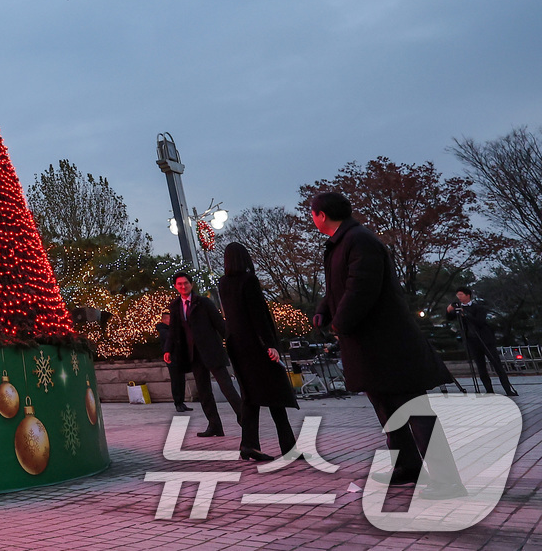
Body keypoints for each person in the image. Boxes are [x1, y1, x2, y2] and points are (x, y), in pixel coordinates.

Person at [311, 190, 464, 495]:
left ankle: (447, 480)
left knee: (416, 411)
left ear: (322, 215)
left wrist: (340, 322)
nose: (311, 219)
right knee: (386, 408)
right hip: (368, 347)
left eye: (311, 214)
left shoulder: (359, 240)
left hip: (389, 345)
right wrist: (323, 310)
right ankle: (407, 465)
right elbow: (338, 288)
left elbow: (361, 288)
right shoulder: (339, 245)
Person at [218, 242, 298, 461]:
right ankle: (288, 447)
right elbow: (258, 316)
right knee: (275, 394)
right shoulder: (249, 281)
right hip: (256, 345)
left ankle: (249, 444)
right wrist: (270, 344)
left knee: (250, 396)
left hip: (236, 345)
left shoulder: (223, 283)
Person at [165, 272, 242, 437]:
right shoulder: (175, 306)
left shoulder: (203, 302)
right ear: (175, 286)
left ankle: (245, 420)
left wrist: (233, 344)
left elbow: (220, 324)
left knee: (227, 387)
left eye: (185, 283)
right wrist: (168, 350)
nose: (183, 286)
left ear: (191, 284)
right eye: (179, 284)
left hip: (211, 351)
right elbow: (173, 331)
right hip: (193, 355)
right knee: (204, 392)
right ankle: (214, 425)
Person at [446, 286, 519, 396]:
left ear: (468, 295)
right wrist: (449, 310)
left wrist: (465, 314)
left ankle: (508, 390)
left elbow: (480, 322)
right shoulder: (459, 309)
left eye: (461, 294)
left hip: (485, 340)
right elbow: (449, 317)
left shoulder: (478, 307)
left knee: (497, 365)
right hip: (472, 341)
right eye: (458, 295)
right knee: (481, 367)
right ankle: (489, 390)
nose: (459, 297)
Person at [156, 311, 192, 412]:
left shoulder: (172, 330)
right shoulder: (164, 331)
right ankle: (178, 403)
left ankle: (182, 402)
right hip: (172, 359)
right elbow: (171, 341)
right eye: (169, 319)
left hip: (179, 358)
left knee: (181, 380)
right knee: (176, 380)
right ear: (164, 320)